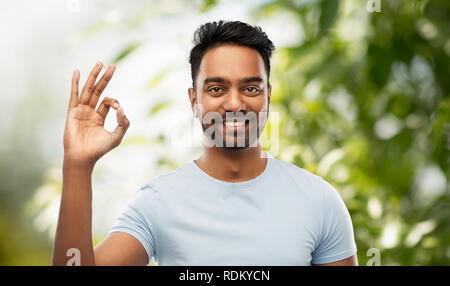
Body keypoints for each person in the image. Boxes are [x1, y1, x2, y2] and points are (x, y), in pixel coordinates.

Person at [52, 20, 358, 266]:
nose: (235, 103)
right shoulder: (157, 203)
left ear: (268, 95)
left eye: (251, 88)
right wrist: (77, 165)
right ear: (194, 99)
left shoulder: (318, 201)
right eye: (216, 89)